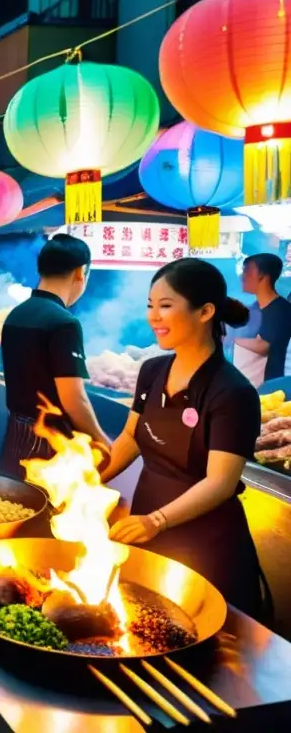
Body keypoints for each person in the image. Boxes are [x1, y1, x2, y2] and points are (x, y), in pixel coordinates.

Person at [103, 258, 268, 619]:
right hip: (147, 520)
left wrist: (157, 521)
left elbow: (220, 483)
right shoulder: (152, 371)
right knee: (142, 621)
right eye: (150, 306)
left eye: (165, 306)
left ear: (205, 311)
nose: (154, 317)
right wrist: (87, 479)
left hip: (205, 540)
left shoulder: (232, 392)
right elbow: (132, 436)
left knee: (198, 632)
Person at [0, 234, 109, 479]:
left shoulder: (16, 314)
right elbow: (73, 398)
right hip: (49, 441)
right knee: (46, 510)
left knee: (10, 504)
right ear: (81, 272)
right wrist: (102, 439)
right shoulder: (64, 322)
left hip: (16, 432)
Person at [235, 252, 291, 385]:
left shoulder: (281, 309)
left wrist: (232, 339)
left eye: (247, 271)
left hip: (273, 382)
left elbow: (264, 346)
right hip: (254, 380)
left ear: (263, 276)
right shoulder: (254, 307)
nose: (243, 276)